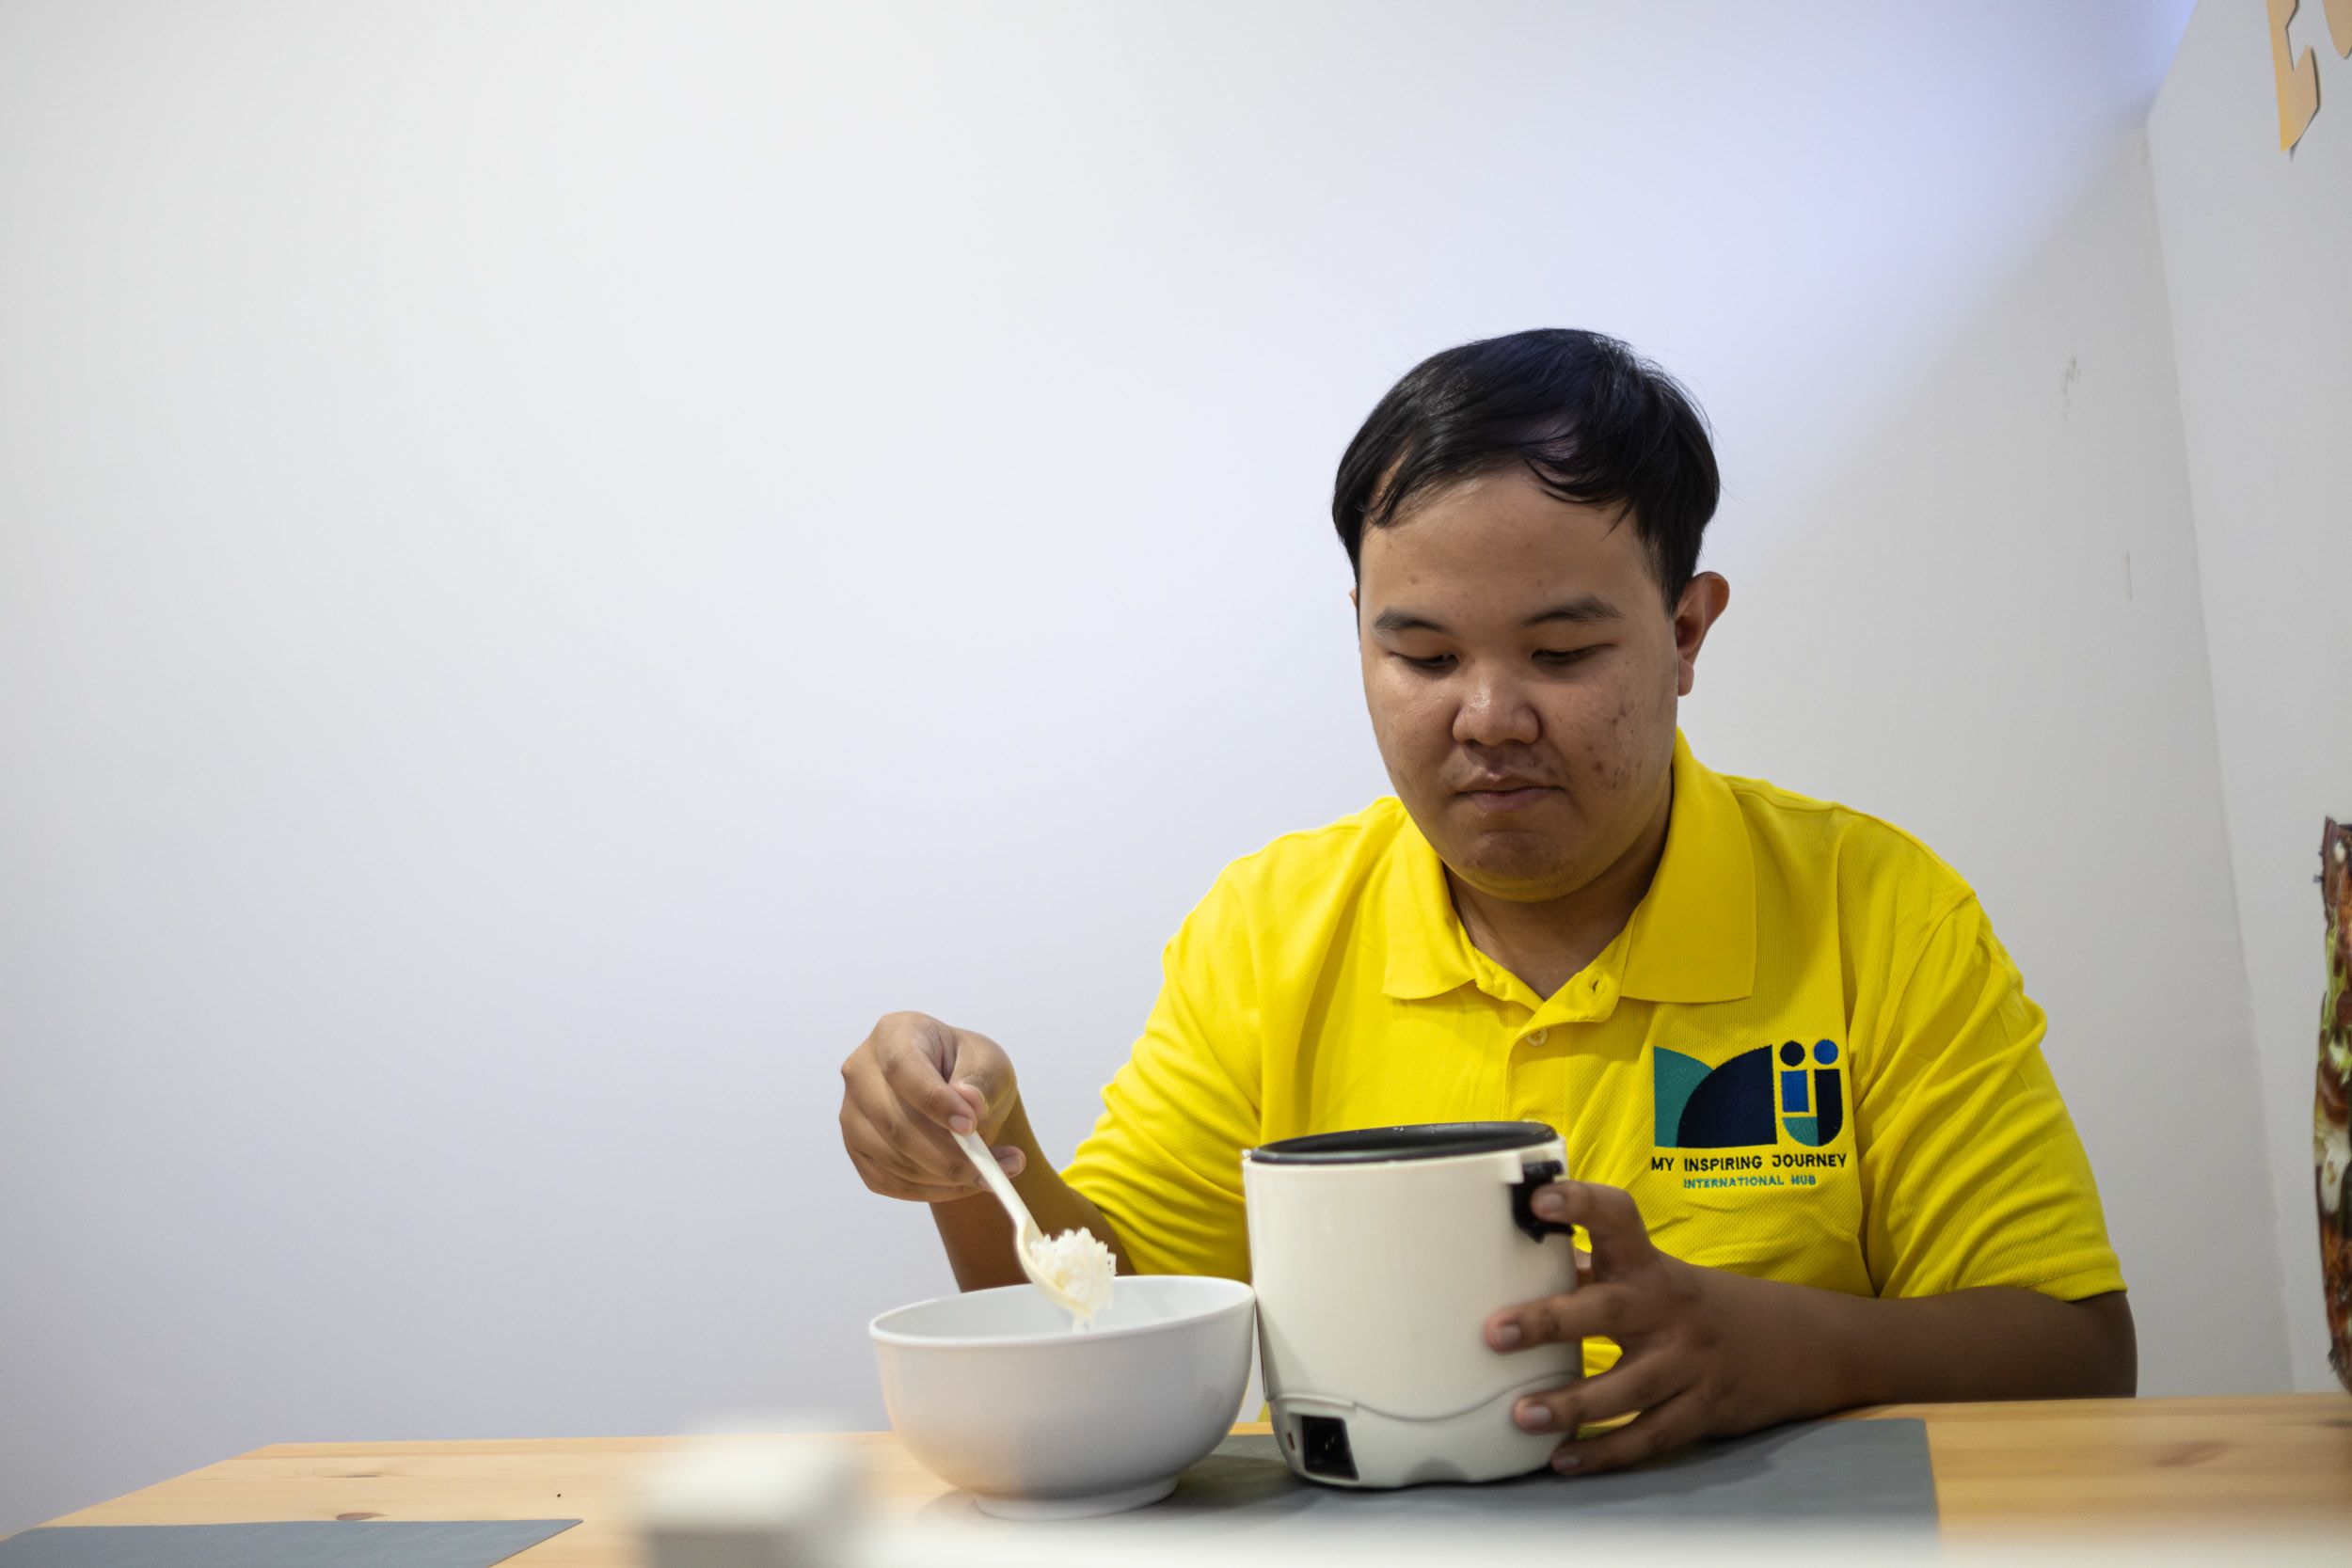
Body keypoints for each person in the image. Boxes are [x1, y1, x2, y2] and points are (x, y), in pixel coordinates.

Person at [838, 327, 2135, 1475]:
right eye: (1422, 654)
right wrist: (973, 1154)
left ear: (1687, 631)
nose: (1489, 716)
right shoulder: (1269, 932)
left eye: (1562, 653)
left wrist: (1783, 1347)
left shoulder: (1874, 911)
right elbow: (1102, 1316)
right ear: (1359, 630)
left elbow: (2075, 1353)